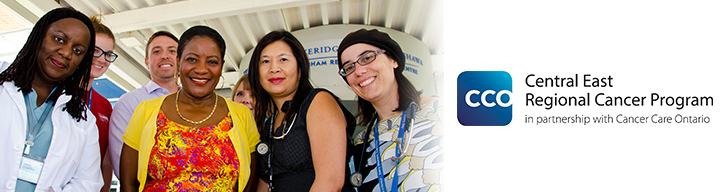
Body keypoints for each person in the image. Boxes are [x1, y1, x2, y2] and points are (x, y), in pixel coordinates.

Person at [120, 25, 260, 192]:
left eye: (212, 62)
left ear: (221, 66)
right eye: (192, 59)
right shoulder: (146, 111)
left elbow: (251, 182)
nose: (201, 69)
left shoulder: (241, 115)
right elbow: (128, 184)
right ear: (178, 62)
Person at [0, 7, 103, 191]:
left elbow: (88, 183)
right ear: (38, 36)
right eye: (59, 39)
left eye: (78, 50)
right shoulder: (2, 82)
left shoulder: (83, 120)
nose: (66, 53)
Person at [336, 29, 443, 192]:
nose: (359, 71)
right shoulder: (361, 144)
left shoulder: (442, 111)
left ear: (393, 59)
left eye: (366, 58)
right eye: (349, 67)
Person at [248, 30, 356, 192]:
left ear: (300, 69)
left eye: (283, 59)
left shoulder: (318, 101)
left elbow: (331, 182)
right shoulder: (268, 124)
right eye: (265, 61)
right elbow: (265, 182)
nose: (274, 68)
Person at [108, 30, 179, 178]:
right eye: (157, 51)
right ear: (147, 62)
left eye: (172, 51)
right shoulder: (129, 103)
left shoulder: (197, 103)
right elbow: (124, 167)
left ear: (181, 60)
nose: (165, 56)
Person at [86, 15, 116, 192]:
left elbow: (105, 162)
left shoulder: (105, 105)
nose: (102, 59)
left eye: (108, 54)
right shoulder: (57, 92)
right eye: (95, 50)